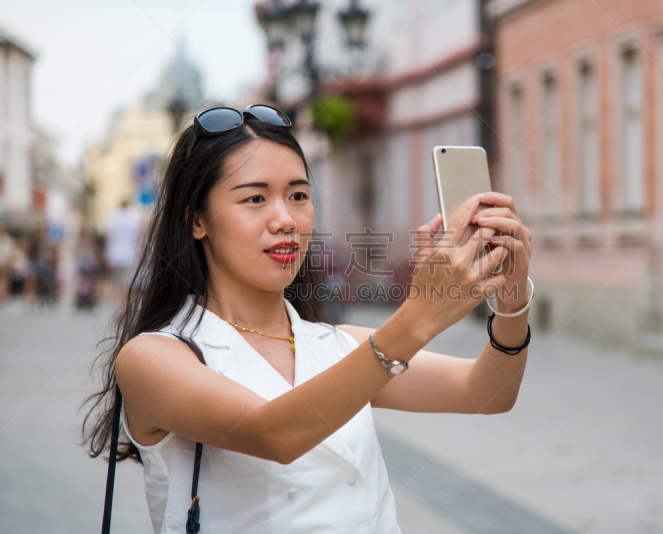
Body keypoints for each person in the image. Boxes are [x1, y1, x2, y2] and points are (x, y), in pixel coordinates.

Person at [82, 105, 533, 533]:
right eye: (255, 198)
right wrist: (417, 318)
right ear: (197, 220)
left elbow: (488, 391)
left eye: (298, 195)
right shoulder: (154, 357)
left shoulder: (334, 343)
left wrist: (512, 298)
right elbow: (275, 433)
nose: (286, 220)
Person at [103, 198, 143, 305]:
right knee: (128, 283)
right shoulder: (134, 219)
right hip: (130, 255)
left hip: (115, 255)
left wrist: (107, 254)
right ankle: (125, 305)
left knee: (116, 282)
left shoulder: (113, 218)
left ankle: (119, 305)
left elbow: (109, 238)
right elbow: (138, 240)